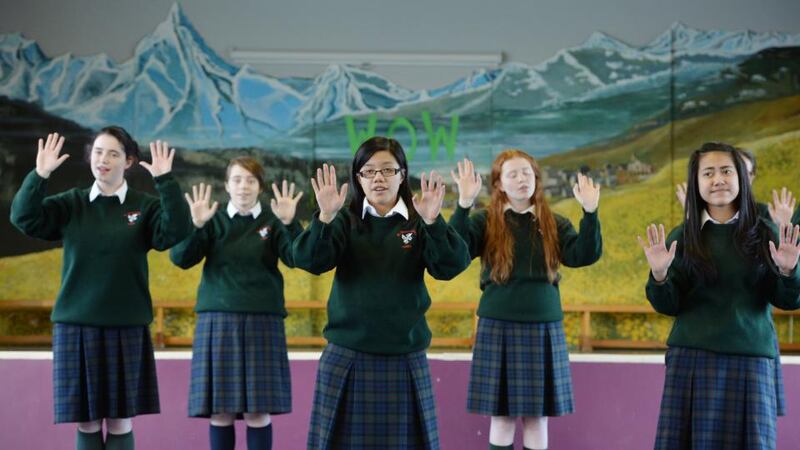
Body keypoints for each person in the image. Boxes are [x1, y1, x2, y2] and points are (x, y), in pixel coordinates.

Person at [10, 129, 192, 450]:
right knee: (87, 420)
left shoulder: (145, 207)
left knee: (121, 420)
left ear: (129, 161)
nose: (102, 160)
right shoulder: (71, 204)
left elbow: (175, 231)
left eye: (112, 154)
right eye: (97, 152)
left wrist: (166, 181)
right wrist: (40, 174)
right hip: (76, 326)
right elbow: (24, 217)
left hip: (127, 326)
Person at [293, 136, 470, 449]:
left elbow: (450, 266)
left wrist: (433, 221)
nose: (377, 178)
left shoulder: (419, 219)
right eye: (368, 171)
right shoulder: (342, 219)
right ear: (358, 178)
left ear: (402, 174)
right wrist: (323, 218)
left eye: (387, 170)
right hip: (347, 356)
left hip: (405, 357)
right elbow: (309, 261)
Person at [639, 142, 800, 449]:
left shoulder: (766, 233)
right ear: (696, 183)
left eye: (726, 171)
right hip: (691, 359)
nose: (718, 180)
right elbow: (668, 304)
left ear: (741, 177)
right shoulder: (683, 236)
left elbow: (789, 300)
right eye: (707, 173)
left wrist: (789, 271)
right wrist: (659, 274)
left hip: (750, 359)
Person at [449, 152, 602, 450]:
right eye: (513, 175)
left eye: (527, 174)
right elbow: (454, 252)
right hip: (497, 326)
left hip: (543, 327)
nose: (522, 180)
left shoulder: (554, 222)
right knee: (502, 418)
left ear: (536, 180)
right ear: (499, 184)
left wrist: (591, 212)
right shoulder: (485, 221)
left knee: (537, 418)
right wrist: (463, 204)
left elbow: (584, 254)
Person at [169, 157, 304, 450]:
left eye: (251, 181)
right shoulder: (211, 218)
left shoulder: (273, 219)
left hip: (263, 321)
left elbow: (297, 257)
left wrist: (290, 223)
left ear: (260, 186)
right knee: (221, 411)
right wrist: (195, 225)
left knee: (258, 411)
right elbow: (181, 259)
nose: (244, 187)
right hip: (217, 320)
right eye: (237, 180)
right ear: (227, 185)